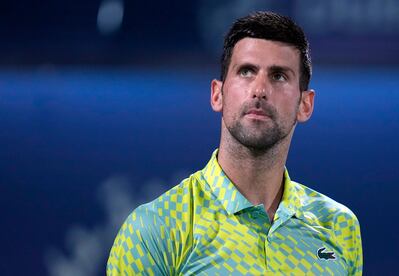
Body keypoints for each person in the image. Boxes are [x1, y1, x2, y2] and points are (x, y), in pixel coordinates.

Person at [107, 11, 362, 275]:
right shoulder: (156, 227)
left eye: (279, 76)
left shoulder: (339, 226)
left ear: (305, 104)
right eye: (246, 71)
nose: (259, 89)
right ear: (217, 94)